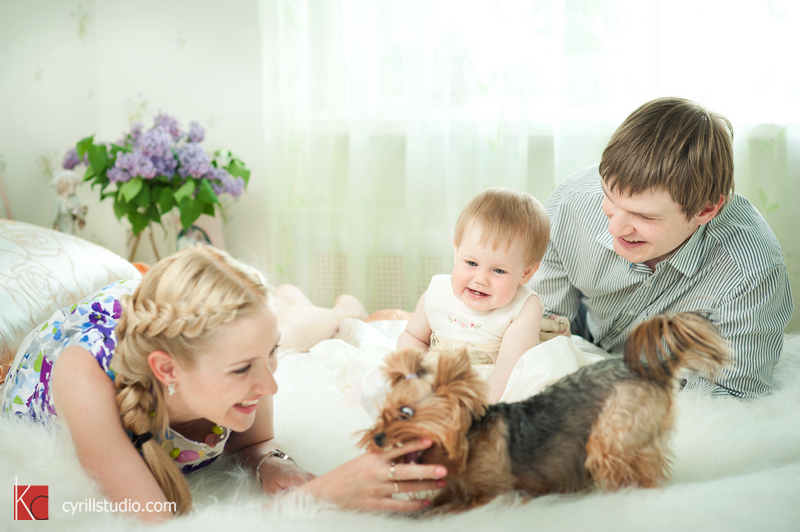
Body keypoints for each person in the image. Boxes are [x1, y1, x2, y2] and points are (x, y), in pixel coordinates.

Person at [1, 246, 447, 520]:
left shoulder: (243, 362)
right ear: (168, 372)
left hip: (165, 327)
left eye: (270, 354)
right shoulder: (85, 378)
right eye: (241, 369)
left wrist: (271, 463)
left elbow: (256, 442)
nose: (270, 386)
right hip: (97, 335)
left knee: (291, 328)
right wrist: (320, 494)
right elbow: (157, 522)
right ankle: (312, 307)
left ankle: (332, 309)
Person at [531, 96, 793, 398]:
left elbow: (732, 394)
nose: (615, 228)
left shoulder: (752, 273)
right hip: (582, 340)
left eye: (644, 216)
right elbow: (541, 321)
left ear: (706, 209)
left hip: (671, 389)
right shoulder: (571, 203)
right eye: (610, 198)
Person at [397, 187, 551, 403]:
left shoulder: (523, 307)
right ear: (456, 252)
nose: (481, 279)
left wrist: (477, 409)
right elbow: (413, 337)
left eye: (498, 271)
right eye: (471, 263)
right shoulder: (438, 292)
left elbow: (510, 367)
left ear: (526, 273)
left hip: (487, 388)